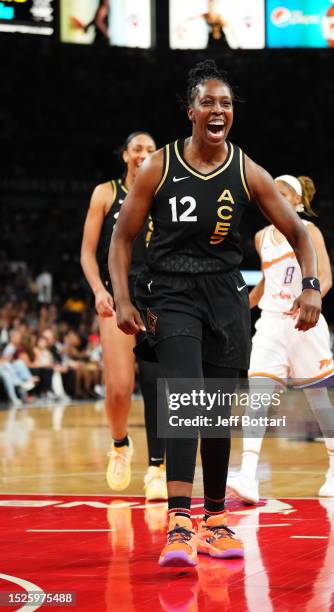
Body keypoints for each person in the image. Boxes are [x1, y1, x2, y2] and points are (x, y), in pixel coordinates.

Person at [109, 60, 321, 567]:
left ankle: (215, 521)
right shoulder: (158, 166)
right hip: (171, 290)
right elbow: (122, 237)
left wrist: (311, 285)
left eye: (226, 103)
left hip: (225, 295)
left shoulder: (247, 171)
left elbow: (299, 232)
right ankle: (179, 524)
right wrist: (122, 297)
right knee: (187, 396)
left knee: (218, 409)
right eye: (208, 101)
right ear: (191, 111)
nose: (218, 109)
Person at [227, 174, 334, 502]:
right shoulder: (260, 237)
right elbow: (266, 283)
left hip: (304, 323)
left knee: (318, 400)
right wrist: (237, 307)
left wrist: (310, 296)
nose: (276, 199)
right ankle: (249, 476)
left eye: (283, 194)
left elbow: (324, 276)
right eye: (273, 194)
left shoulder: (309, 231)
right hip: (270, 323)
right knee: (258, 397)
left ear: (297, 201)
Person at [80, 131, 166, 500]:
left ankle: (157, 468)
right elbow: (86, 253)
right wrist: (100, 290)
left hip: (156, 295)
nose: (143, 153)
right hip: (116, 292)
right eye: (137, 148)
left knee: (155, 382)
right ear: (125, 156)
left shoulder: (165, 193)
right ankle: (120, 444)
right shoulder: (105, 192)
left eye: (150, 149)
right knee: (118, 387)